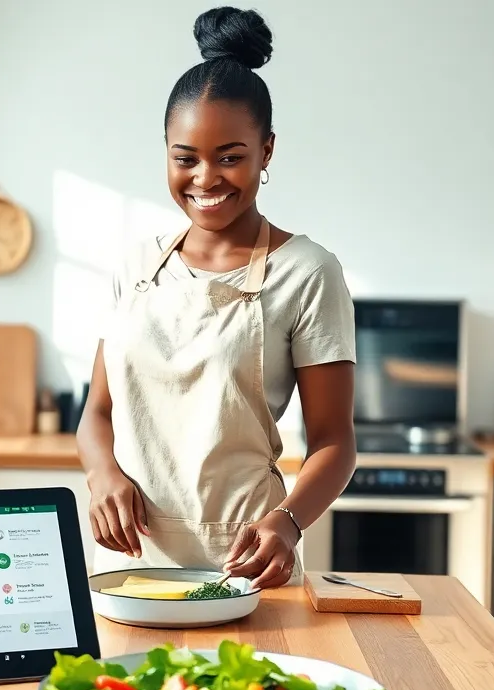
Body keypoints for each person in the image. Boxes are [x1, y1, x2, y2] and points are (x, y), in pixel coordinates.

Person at [76, 5, 357, 590]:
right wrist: (103, 475)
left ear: (267, 151)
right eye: (185, 159)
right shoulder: (136, 265)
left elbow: (334, 442)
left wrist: (288, 522)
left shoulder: (307, 272)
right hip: (131, 563)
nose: (206, 179)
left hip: (247, 560)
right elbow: (96, 417)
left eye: (230, 157)